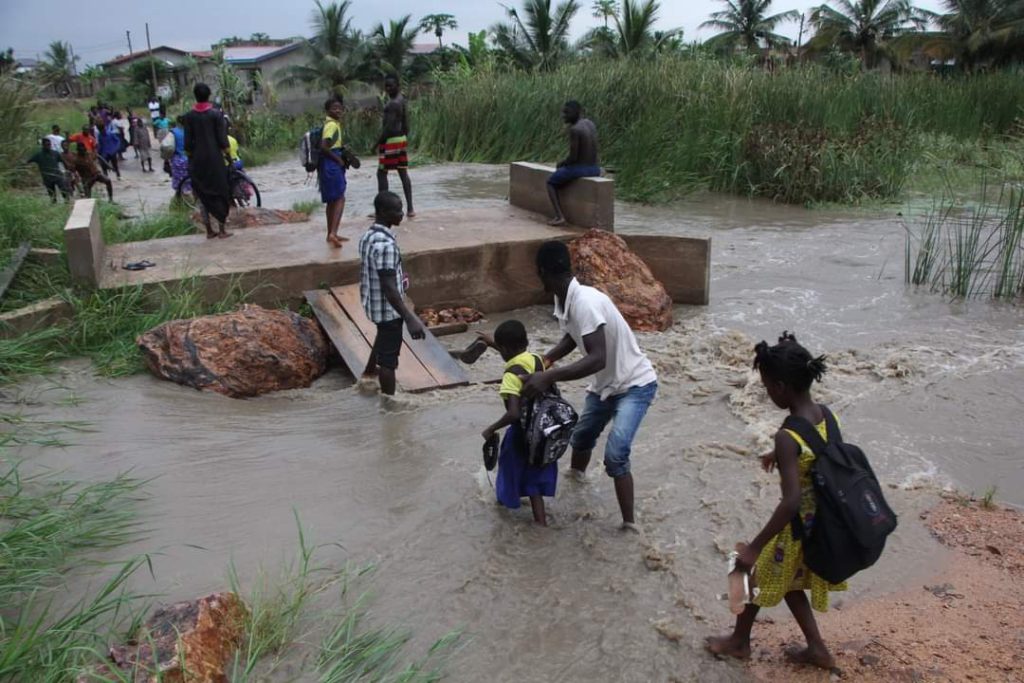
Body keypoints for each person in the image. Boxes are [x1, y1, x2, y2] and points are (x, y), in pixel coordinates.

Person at [706, 332, 846, 670]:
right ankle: (817, 648)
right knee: (787, 583)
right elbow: (818, 450)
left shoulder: (787, 436)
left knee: (748, 572)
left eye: (768, 386)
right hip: (822, 523)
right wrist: (779, 455)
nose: (767, 392)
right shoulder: (826, 414)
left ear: (782, 387)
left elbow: (791, 501)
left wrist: (754, 545)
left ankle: (739, 641)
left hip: (796, 530)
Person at [523, 241, 657, 531]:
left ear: (544, 272)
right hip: (606, 386)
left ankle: (629, 526)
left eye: (538, 274)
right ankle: (577, 488)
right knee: (581, 438)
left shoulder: (585, 301)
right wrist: (548, 360)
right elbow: (574, 336)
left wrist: (550, 377)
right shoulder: (567, 300)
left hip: (635, 384)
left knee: (616, 454)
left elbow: (597, 358)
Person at [480, 320, 558, 526]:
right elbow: (516, 356)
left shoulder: (509, 376)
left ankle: (503, 505)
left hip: (521, 433)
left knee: (507, 469)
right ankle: (541, 524)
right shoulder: (536, 359)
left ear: (504, 349)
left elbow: (514, 413)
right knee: (534, 476)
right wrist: (493, 343)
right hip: (543, 429)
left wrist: (491, 428)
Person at [357, 191, 425, 396]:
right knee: (388, 361)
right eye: (397, 210)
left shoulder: (369, 235)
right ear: (384, 213)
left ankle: (368, 373)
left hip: (373, 302)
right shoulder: (386, 245)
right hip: (388, 309)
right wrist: (409, 317)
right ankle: (389, 404)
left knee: (383, 336)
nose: (401, 213)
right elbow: (388, 287)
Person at [183, 83, 233, 239]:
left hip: (197, 160)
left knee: (202, 194)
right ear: (208, 95)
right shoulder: (215, 115)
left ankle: (209, 230)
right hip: (214, 160)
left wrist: (192, 156)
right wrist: (228, 156)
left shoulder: (189, 117)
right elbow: (222, 140)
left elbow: (187, 143)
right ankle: (222, 229)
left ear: (195, 96)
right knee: (221, 192)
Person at [547, 100, 601, 226]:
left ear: (577, 113)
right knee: (561, 173)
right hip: (594, 168)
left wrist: (561, 163)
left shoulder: (575, 129)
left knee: (550, 182)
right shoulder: (590, 123)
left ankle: (559, 216)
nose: (563, 115)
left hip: (581, 169)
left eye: (567, 113)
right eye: (563, 112)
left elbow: (573, 158)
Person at [376, 75, 415, 218]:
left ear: (398, 85)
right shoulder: (402, 100)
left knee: (381, 173)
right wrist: (404, 138)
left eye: (390, 86)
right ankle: (410, 209)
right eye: (386, 86)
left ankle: (380, 209)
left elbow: (388, 126)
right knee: (403, 172)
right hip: (401, 139)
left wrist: (377, 143)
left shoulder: (393, 103)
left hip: (391, 139)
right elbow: (406, 123)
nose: (387, 89)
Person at [320, 95, 348, 248]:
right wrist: (338, 160)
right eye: (334, 108)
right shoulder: (331, 125)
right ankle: (333, 233)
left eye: (340, 107)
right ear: (327, 110)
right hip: (332, 163)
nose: (338, 110)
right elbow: (324, 147)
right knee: (339, 198)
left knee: (332, 200)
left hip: (328, 163)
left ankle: (331, 233)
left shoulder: (331, 123)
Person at [26, 138, 70, 203]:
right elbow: (28, 161)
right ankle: (54, 207)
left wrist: (68, 171)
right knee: (52, 195)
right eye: (46, 145)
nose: (48, 146)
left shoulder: (55, 153)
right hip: (47, 178)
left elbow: (64, 161)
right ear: (43, 145)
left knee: (64, 190)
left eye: (49, 144)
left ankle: (67, 203)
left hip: (57, 175)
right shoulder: (38, 155)